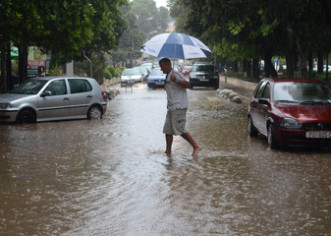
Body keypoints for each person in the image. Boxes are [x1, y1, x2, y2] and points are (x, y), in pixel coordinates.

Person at [159, 58, 202, 157]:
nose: (161, 69)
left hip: (179, 107)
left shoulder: (176, 74)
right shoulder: (168, 76)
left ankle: (196, 146)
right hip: (171, 108)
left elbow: (188, 85)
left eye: (162, 67)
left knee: (179, 129)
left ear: (167, 65)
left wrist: (177, 81)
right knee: (168, 130)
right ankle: (168, 151)